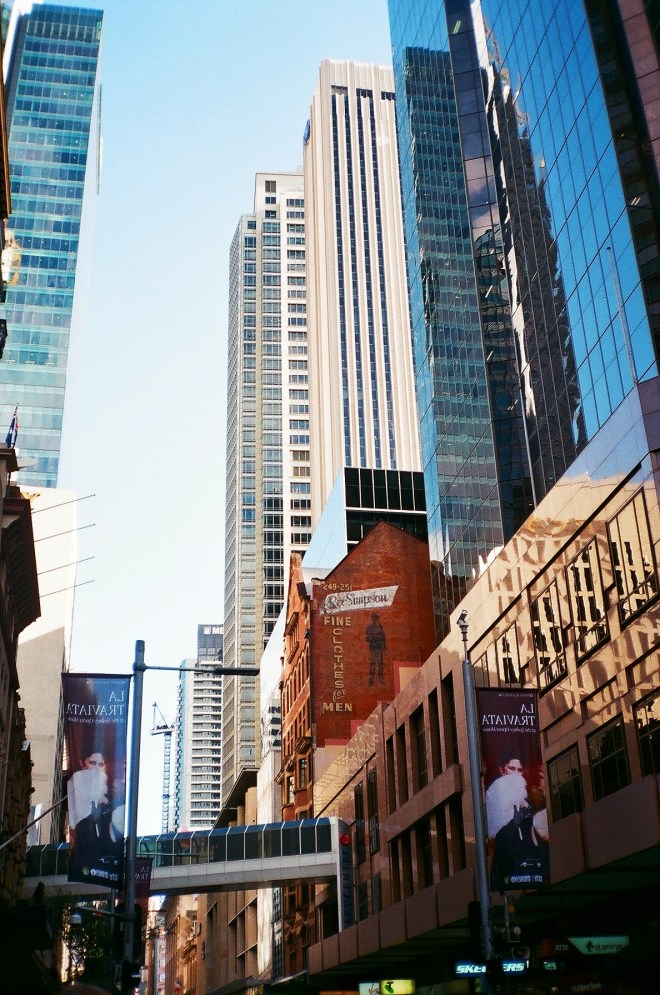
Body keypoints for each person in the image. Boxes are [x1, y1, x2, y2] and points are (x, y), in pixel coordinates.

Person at [485, 754, 549, 891]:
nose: (515, 773)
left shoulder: (532, 799)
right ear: (502, 770)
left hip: (534, 871)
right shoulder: (495, 798)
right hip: (510, 870)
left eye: (519, 770)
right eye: (512, 768)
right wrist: (514, 825)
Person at [365, 613, 387, 685]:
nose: (374, 619)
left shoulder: (381, 627)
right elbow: (367, 638)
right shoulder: (369, 627)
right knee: (373, 663)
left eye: (376, 618)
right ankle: (371, 680)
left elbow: (383, 638)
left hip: (379, 648)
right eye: (373, 618)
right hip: (373, 648)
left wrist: (385, 648)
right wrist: (372, 637)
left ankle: (380, 680)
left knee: (380, 663)